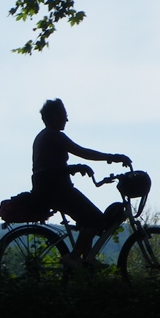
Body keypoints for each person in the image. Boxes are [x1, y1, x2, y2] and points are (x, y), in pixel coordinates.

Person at [31, 99, 131, 266]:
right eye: (64, 116)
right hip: (57, 190)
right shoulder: (54, 136)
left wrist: (74, 168)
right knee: (97, 220)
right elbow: (83, 152)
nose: (67, 120)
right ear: (55, 116)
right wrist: (112, 157)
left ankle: (86, 262)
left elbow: (49, 166)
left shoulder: (43, 136)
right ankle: (74, 257)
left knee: (88, 219)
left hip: (49, 189)